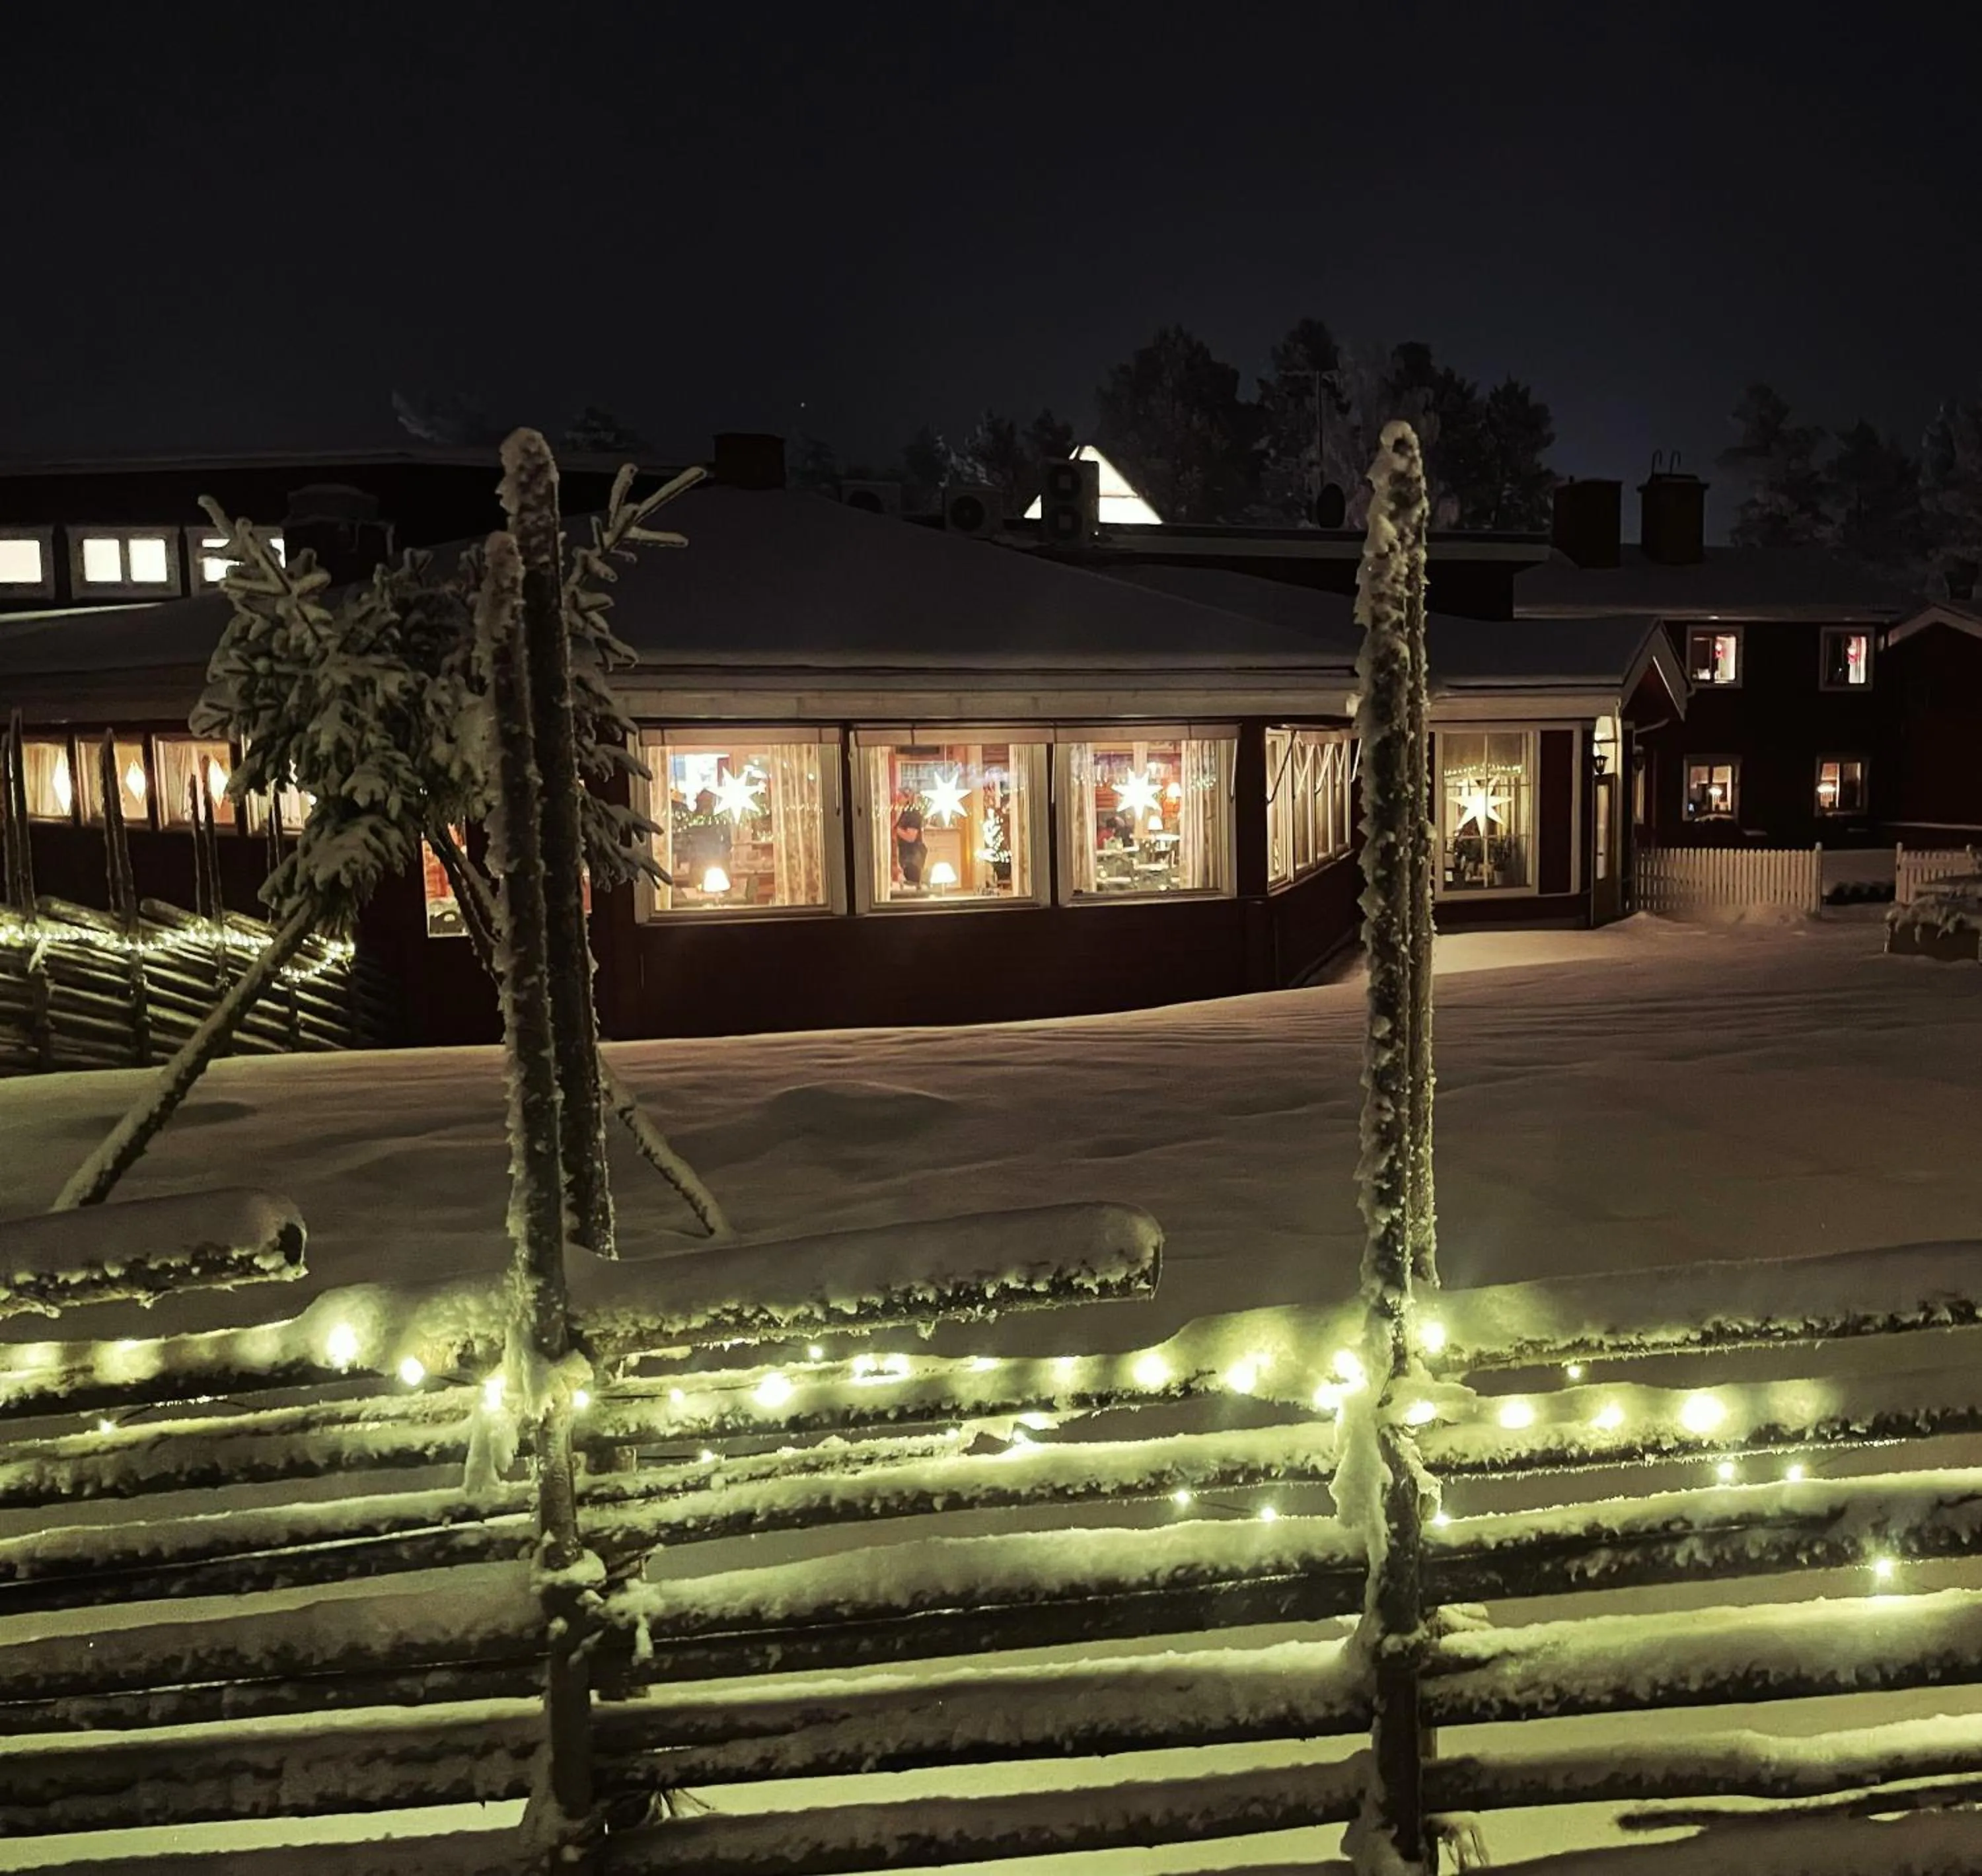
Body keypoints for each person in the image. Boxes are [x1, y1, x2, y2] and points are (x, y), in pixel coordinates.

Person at [895, 803, 928, 888]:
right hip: (905, 856)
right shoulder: (899, 812)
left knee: (911, 885)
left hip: (912, 857)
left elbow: (911, 837)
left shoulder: (913, 813)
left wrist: (895, 830)